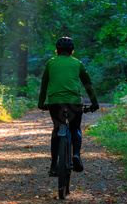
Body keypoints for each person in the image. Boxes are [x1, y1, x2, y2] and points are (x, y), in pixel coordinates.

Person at [38, 36, 99, 175]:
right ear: (72, 50)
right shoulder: (77, 63)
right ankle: (76, 155)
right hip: (74, 103)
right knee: (75, 128)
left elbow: (44, 85)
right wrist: (94, 103)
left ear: (57, 50)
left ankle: (54, 166)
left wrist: (41, 103)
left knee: (57, 129)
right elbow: (88, 85)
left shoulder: (50, 63)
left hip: (55, 103)